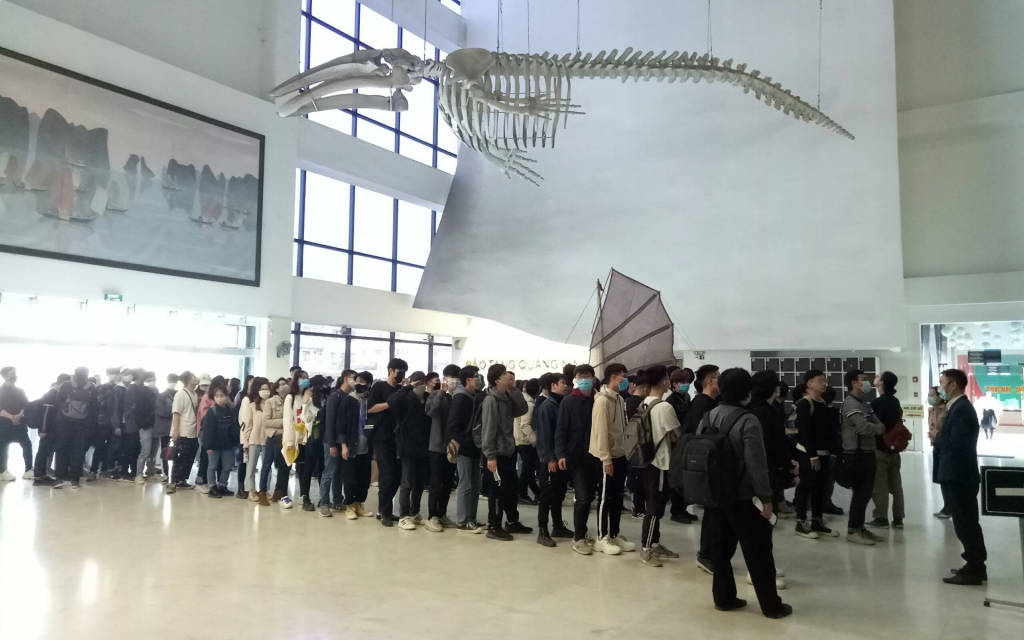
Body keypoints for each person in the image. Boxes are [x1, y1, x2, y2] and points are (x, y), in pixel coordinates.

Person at [699, 368, 791, 619]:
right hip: (745, 497)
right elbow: (757, 465)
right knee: (759, 553)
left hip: (716, 495)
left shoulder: (707, 417)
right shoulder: (748, 420)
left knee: (721, 551)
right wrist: (766, 498)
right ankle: (771, 606)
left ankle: (724, 598)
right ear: (747, 391)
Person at [935, 369, 988, 585]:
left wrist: (937, 436)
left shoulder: (962, 409)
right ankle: (975, 565)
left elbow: (957, 443)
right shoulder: (956, 407)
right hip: (956, 473)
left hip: (959, 474)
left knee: (966, 523)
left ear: (953, 385)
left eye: (942, 383)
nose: (940, 387)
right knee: (964, 521)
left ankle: (975, 568)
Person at [481, 364, 532, 541]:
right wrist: (490, 455)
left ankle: (512, 521)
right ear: (497, 380)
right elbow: (488, 429)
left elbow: (522, 409)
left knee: (511, 489)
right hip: (496, 453)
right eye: (504, 374)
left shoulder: (507, 396)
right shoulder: (491, 400)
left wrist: (514, 389)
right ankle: (493, 526)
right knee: (497, 491)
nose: (508, 376)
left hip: (509, 450)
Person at [638, 365, 683, 567]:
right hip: (660, 462)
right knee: (655, 507)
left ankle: (654, 544)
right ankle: (647, 549)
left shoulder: (644, 403)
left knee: (653, 503)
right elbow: (678, 434)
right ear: (664, 381)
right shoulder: (664, 407)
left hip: (647, 460)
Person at [589, 362, 634, 555]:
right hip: (606, 457)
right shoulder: (602, 401)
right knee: (605, 497)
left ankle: (614, 534)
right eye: (623, 375)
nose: (625, 380)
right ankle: (602, 537)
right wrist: (606, 458)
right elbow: (600, 431)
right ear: (614, 377)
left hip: (620, 454)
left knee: (617, 496)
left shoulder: (619, 399)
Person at [555, 364, 600, 556]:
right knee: (582, 497)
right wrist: (561, 454)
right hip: (576, 456)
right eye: (580, 377)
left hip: (597, 455)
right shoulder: (569, 401)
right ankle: (578, 537)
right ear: (575, 379)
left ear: (593, 378)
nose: (584, 380)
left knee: (590, 497)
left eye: (587, 376)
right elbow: (561, 429)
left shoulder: (599, 399)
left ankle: (588, 532)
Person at [840, 369, 885, 545]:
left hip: (868, 453)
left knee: (866, 493)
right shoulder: (851, 404)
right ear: (853, 382)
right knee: (860, 493)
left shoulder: (865, 404)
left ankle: (860, 527)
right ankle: (853, 530)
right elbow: (864, 428)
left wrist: (876, 427)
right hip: (856, 455)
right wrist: (876, 428)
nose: (867, 382)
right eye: (863, 379)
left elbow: (880, 425)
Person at [792, 370, 838, 540]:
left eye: (825, 380)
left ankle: (817, 521)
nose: (824, 383)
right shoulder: (805, 404)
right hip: (808, 454)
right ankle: (800, 522)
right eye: (820, 380)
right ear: (809, 383)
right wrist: (813, 456)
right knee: (805, 487)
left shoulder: (823, 403)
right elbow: (805, 432)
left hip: (824, 453)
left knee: (820, 488)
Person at [534, 373, 574, 546]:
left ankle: (557, 526)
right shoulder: (547, 406)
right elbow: (544, 435)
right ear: (553, 385)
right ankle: (542, 531)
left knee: (559, 493)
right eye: (562, 383)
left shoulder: (562, 403)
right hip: (550, 460)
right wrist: (550, 459)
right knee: (546, 495)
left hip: (561, 457)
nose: (566, 385)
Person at [749, 371, 795, 521]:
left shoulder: (753, 408)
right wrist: (788, 466)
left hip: (753, 472)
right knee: (766, 516)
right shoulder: (766, 412)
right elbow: (774, 443)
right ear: (774, 389)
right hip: (766, 471)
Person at [688, 364, 720, 574]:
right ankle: (706, 554)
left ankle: (712, 553)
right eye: (717, 377)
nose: (720, 381)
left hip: (714, 464)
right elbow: (697, 437)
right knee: (712, 513)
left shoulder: (713, 403)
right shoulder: (701, 404)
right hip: (706, 465)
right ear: (708, 381)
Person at [367, 358, 407, 527]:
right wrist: (389, 404)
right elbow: (370, 408)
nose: (401, 374)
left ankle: (384, 509)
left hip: (398, 438)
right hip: (381, 438)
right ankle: (384, 512)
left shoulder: (400, 390)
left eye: (404, 371)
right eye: (399, 371)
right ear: (390, 370)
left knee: (397, 476)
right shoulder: (379, 387)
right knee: (387, 475)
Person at [392, 371, 432, 530]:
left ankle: (415, 512)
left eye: (423, 382)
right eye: (418, 382)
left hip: (423, 446)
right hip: (407, 445)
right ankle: (403, 515)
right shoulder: (405, 397)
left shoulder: (427, 397)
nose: (421, 385)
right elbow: (392, 401)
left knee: (419, 482)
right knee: (407, 481)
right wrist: (408, 387)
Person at [424, 364, 461, 531]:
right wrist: (441, 392)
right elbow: (431, 412)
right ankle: (432, 516)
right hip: (436, 446)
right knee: (436, 482)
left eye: (456, 378)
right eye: (450, 378)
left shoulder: (458, 397)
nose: (453, 381)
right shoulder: (435, 395)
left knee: (448, 483)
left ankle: (442, 513)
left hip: (452, 446)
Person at [449, 365, 484, 533]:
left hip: (475, 447)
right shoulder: (461, 398)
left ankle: (472, 518)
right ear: (469, 380)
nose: (479, 379)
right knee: (466, 484)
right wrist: (460, 443)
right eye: (476, 376)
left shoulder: (474, 396)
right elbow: (453, 425)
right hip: (464, 448)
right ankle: (463, 520)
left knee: (476, 484)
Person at [869, 371, 905, 529]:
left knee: (880, 486)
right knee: (896, 485)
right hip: (894, 449)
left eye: (878, 376)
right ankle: (898, 519)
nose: (875, 377)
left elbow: (875, 426)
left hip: (879, 450)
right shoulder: (895, 401)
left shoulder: (877, 403)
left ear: (882, 383)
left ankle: (881, 518)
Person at [54, 367, 97, 489]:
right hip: (82, 425)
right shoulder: (91, 388)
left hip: (64, 423)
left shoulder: (66, 385)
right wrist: (90, 426)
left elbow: (58, 403)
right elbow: (94, 408)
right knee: (78, 452)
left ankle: (59, 478)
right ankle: (75, 480)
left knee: (61, 450)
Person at [319, 371, 354, 517]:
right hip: (331, 441)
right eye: (353, 379)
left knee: (339, 472)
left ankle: (337, 500)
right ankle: (324, 503)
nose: (355, 382)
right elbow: (330, 422)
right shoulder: (335, 396)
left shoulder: (349, 397)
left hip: (342, 440)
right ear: (346, 379)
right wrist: (332, 444)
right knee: (329, 471)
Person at [341, 371, 375, 519]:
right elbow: (342, 425)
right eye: (358, 381)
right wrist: (344, 446)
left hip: (367, 446)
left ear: (369, 384)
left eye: (363, 382)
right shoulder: (349, 400)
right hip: (352, 445)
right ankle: (349, 506)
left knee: (364, 478)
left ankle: (359, 504)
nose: (360, 384)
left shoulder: (370, 400)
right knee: (350, 478)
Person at [293, 373, 326, 512]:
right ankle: (305, 497)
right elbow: (304, 418)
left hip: (324, 438)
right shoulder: (307, 399)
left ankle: (324, 498)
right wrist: (306, 403)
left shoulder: (326, 398)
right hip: (311, 438)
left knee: (322, 469)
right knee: (308, 469)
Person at [29, 374, 69, 486]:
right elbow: (46, 414)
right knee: (43, 452)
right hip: (47, 429)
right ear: (63, 382)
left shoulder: (55, 394)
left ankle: (42, 475)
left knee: (45, 451)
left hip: (52, 429)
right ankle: (38, 477)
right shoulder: (51, 394)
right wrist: (43, 430)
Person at [200, 385, 239, 498]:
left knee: (227, 466)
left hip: (228, 445)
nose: (219, 398)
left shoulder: (230, 411)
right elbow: (207, 431)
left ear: (226, 396)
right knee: (212, 466)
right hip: (213, 446)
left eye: (222, 396)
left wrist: (234, 441)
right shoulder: (211, 411)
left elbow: (234, 427)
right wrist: (208, 446)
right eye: (217, 396)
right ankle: (212, 488)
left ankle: (222, 486)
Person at [166, 371, 200, 494]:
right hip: (182, 432)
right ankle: (172, 482)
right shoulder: (181, 394)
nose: (196, 379)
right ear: (189, 380)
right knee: (179, 457)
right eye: (193, 377)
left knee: (189, 457)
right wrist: (176, 431)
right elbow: (176, 413)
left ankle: (182, 480)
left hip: (192, 431)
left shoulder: (194, 394)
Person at [120, 368, 153, 483]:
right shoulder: (132, 389)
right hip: (133, 424)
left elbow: (149, 407)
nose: (143, 375)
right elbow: (130, 407)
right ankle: (128, 472)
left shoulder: (146, 389)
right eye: (141, 373)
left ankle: (136, 472)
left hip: (144, 424)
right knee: (131, 449)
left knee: (139, 449)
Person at [0, 366, 32, 481]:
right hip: (4, 424)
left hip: (20, 424)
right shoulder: (1, 391)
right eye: (12, 373)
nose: (14, 375)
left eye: (15, 373)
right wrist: (11, 417)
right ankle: (3, 472)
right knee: (3, 448)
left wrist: (19, 415)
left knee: (27, 445)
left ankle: (28, 470)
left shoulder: (20, 391)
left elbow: (26, 405)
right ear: (4, 376)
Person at [927, 386, 952, 519]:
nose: (930, 398)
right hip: (936, 446)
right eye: (929, 395)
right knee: (941, 478)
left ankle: (950, 507)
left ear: (939, 396)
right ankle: (947, 506)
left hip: (945, 446)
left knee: (946, 477)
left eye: (932, 395)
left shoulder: (947, 409)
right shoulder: (931, 410)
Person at [195, 374, 223, 490]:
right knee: (205, 456)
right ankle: (201, 480)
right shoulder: (207, 397)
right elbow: (204, 414)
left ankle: (211, 481)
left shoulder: (220, 396)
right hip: (206, 431)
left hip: (216, 432)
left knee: (213, 457)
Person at [515, 378, 540, 505]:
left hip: (521, 440)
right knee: (527, 470)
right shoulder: (529, 405)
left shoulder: (524, 401)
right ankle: (521, 493)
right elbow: (524, 425)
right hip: (525, 442)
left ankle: (536, 493)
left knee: (528, 470)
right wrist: (535, 440)